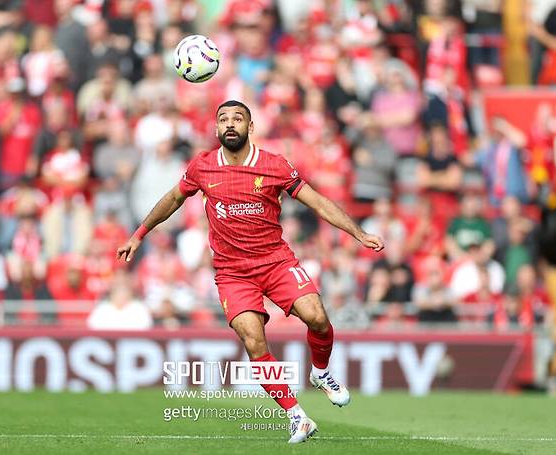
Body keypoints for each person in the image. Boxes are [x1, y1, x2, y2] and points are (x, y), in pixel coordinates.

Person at [116, 100, 384, 443]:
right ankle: (296, 416)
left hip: (275, 261)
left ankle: (321, 372)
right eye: (223, 119)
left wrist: (358, 233)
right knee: (253, 340)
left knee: (317, 317)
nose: (230, 124)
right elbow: (172, 199)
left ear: (250, 127)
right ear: (216, 129)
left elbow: (316, 201)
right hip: (232, 272)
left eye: (237, 118)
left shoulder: (274, 165)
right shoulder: (203, 166)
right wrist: (139, 234)